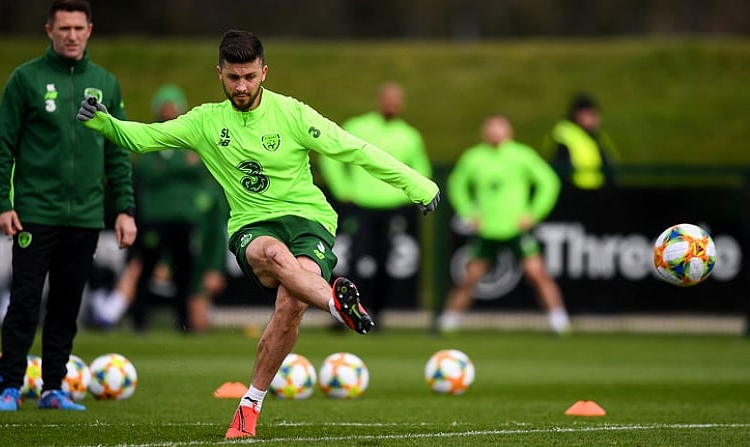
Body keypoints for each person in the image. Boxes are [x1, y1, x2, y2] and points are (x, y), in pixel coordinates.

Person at [76, 30, 439, 439]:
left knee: (291, 306)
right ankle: (337, 305)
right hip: (253, 225)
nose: (242, 86)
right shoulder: (206, 122)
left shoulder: (293, 114)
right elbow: (143, 138)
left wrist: (417, 184)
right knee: (277, 258)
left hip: (308, 221)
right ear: (220, 74)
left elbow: (354, 149)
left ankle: (250, 404)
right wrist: (103, 121)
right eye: (233, 77)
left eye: (249, 76)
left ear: (264, 72)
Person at [0, 0, 135, 412]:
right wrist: (2, 201)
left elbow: (118, 151)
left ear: (90, 30)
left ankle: (54, 387)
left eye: (78, 28)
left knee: (68, 304)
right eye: (64, 28)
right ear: (49, 30)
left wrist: (124, 208)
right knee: (25, 300)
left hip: (86, 214)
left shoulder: (105, 82)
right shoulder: (25, 80)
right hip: (35, 211)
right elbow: (3, 146)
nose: (71, 35)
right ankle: (10, 386)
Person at [90, 84, 228, 332]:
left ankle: (182, 324)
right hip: (154, 221)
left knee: (184, 275)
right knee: (144, 269)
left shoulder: (193, 145)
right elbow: (149, 170)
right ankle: (138, 322)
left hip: (184, 224)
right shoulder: (151, 146)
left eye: (173, 108)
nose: (169, 113)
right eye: (165, 108)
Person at [437, 115, 571, 335]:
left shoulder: (521, 155)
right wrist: (469, 213)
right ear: (484, 132)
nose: (495, 133)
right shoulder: (474, 157)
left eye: (499, 129)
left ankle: (559, 320)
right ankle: (448, 321)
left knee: (537, 273)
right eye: (491, 128)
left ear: (509, 132)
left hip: (516, 229)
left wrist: (534, 213)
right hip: (488, 230)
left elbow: (549, 182)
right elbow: (456, 185)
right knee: (469, 277)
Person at [318, 82, 432, 327]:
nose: (392, 104)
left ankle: (376, 314)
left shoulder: (409, 135)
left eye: (396, 100)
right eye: (388, 99)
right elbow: (331, 156)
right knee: (352, 259)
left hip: (392, 208)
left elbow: (421, 169)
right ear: (380, 100)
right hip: (360, 205)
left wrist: (407, 195)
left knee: (384, 262)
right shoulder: (359, 126)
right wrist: (342, 188)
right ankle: (342, 313)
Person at [543, 92, 620, 191]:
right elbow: (559, 165)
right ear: (577, 115)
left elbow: (609, 164)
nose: (594, 119)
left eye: (595, 114)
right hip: (575, 192)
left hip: (598, 191)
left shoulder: (598, 136)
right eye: (590, 114)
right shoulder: (565, 133)